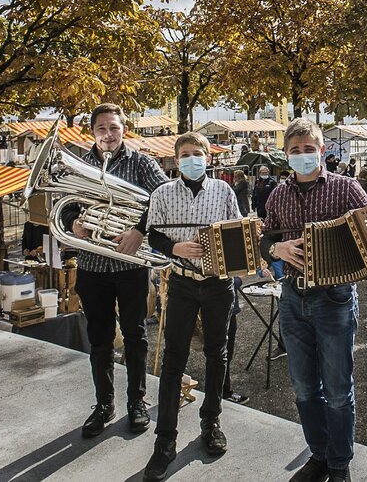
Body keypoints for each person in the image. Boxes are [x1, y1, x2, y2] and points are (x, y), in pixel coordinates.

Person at [259, 118, 367, 482]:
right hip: (292, 296)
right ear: (285, 155)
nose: (303, 155)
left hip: (335, 298)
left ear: (322, 150)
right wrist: (277, 248)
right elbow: (264, 239)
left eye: (309, 149)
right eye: (295, 151)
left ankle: (339, 463)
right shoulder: (277, 195)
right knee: (304, 387)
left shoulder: (347, 188)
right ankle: (319, 454)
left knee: (337, 389)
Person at [60, 103, 169, 439]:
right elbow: (62, 206)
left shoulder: (142, 163)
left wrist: (139, 229)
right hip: (92, 265)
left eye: (114, 128)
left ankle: (136, 402)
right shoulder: (80, 164)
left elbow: (166, 196)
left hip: (130, 265)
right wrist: (73, 223)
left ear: (124, 130)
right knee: (99, 338)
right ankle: (103, 404)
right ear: (93, 133)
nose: (108, 135)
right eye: (102, 129)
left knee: (135, 335)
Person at [142, 131, 242, 480]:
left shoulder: (225, 191)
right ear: (175, 159)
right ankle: (164, 441)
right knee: (173, 360)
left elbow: (237, 232)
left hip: (218, 285)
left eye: (197, 153)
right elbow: (152, 234)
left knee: (218, 354)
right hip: (182, 283)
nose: (191, 159)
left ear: (207, 157)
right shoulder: (162, 193)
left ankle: (211, 422)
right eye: (185, 154)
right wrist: (174, 249)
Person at [223, 276, 250, 405]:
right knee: (224, 353)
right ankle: (224, 391)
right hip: (224, 307)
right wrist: (238, 279)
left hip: (223, 306)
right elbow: (233, 281)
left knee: (220, 352)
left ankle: (222, 390)